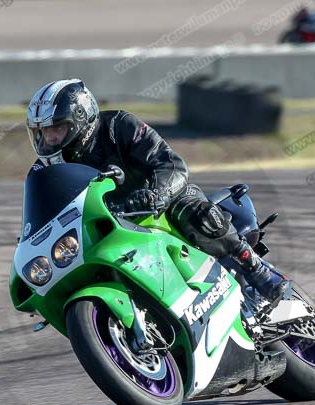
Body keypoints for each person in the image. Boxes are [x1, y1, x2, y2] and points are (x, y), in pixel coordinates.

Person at [24, 78, 292, 306]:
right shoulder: (45, 170)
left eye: (56, 129)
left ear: (80, 119)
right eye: (43, 132)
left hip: (160, 203)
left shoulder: (119, 126)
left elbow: (171, 164)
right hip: (111, 226)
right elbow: (43, 209)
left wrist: (155, 194)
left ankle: (257, 271)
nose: (50, 139)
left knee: (198, 214)